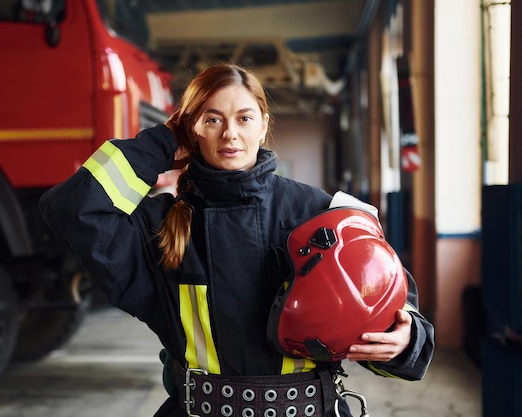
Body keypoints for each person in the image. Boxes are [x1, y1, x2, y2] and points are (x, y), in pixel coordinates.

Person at [39, 63, 435, 417]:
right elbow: (72, 210)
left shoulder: (326, 214)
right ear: (191, 128)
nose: (230, 133)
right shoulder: (161, 227)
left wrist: (405, 341)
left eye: (244, 118)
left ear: (263, 123)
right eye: (212, 120)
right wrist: (161, 143)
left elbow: (396, 309)